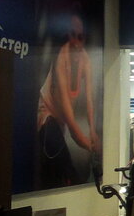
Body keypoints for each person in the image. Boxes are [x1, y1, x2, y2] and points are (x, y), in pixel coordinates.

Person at [37, 11, 100, 188]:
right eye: (73, 35)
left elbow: (90, 100)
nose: (76, 42)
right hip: (46, 116)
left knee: (59, 171)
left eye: (81, 37)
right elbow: (70, 120)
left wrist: (93, 132)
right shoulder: (61, 59)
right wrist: (89, 145)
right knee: (66, 168)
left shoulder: (85, 60)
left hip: (60, 123)